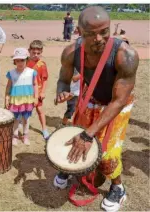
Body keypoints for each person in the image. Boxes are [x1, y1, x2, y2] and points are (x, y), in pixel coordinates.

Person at [54, 6, 138, 211]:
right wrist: (62, 91)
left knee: (106, 151)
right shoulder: (70, 52)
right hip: (90, 97)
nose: (99, 38)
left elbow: (118, 101)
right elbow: (63, 81)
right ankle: (71, 168)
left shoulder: (125, 55)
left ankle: (118, 188)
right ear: (79, 31)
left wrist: (89, 134)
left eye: (104, 31)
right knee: (74, 136)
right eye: (91, 33)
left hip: (117, 104)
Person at [5, 48, 38, 146]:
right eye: (17, 60)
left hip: (27, 100)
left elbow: (35, 84)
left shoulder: (32, 72)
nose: (20, 63)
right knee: (16, 119)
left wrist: (36, 97)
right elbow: (8, 86)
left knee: (26, 119)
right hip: (15, 100)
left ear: (27, 60)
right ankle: (14, 136)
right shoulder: (11, 73)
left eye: (22, 60)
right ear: (14, 61)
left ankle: (25, 135)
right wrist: (7, 98)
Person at [26, 40, 50, 140]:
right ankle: (24, 130)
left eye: (38, 53)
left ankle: (44, 129)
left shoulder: (42, 65)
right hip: (26, 92)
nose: (36, 55)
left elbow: (45, 80)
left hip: (37, 92)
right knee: (25, 111)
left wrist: (43, 92)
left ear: (41, 52)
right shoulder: (25, 61)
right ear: (29, 51)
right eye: (33, 53)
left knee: (40, 110)